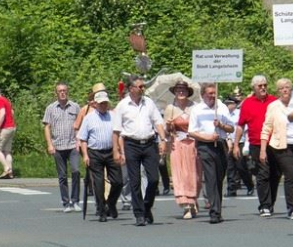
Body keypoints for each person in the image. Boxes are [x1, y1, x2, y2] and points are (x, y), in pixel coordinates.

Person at [113, 76, 168, 227]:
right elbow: (116, 131)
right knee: (135, 180)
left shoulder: (149, 103)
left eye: (143, 87)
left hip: (149, 143)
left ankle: (147, 206)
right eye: (140, 86)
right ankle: (139, 214)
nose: (143, 89)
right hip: (131, 144)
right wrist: (116, 151)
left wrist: (163, 140)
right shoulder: (122, 106)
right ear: (131, 89)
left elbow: (158, 122)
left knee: (153, 179)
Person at [260, 78, 293, 219]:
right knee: (290, 174)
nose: (285, 90)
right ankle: (292, 208)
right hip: (281, 145)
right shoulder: (274, 106)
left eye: (287, 87)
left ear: (291, 89)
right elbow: (266, 127)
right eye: (281, 88)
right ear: (278, 91)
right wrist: (262, 149)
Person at [233, 75, 278, 216]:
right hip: (256, 144)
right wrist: (235, 144)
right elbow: (240, 125)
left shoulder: (274, 101)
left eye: (265, 85)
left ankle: (270, 203)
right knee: (262, 174)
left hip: (275, 143)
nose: (263, 87)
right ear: (254, 88)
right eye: (260, 86)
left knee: (275, 175)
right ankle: (264, 204)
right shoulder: (247, 103)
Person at [190, 83, 234, 224]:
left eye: (214, 93)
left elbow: (231, 128)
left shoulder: (221, 107)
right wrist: (207, 137)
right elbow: (192, 131)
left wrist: (220, 125)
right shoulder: (197, 110)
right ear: (203, 95)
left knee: (219, 178)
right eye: (209, 93)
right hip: (205, 145)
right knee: (210, 177)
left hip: (220, 144)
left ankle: (217, 209)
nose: (213, 96)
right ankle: (214, 212)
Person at [77, 91, 122, 223]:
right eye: (101, 103)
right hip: (95, 152)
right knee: (98, 184)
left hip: (110, 151)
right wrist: (85, 155)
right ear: (95, 104)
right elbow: (83, 139)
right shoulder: (89, 118)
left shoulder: (113, 116)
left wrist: (119, 151)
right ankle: (101, 210)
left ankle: (111, 203)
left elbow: (119, 134)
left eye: (105, 103)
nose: (103, 105)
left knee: (118, 181)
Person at [162, 79, 202, 219]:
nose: (181, 92)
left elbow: (200, 126)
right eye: (178, 90)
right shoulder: (170, 108)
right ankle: (186, 205)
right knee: (180, 175)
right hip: (177, 144)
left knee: (194, 175)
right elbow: (166, 132)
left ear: (188, 92)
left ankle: (193, 199)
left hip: (193, 144)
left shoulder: (195, 107)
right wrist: (169, 126)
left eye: (183, 90)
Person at [42, 82, 81, 212]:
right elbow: (47, 127)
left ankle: (75, 200)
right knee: (62, 175)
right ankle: (66, 202)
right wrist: (49, 144)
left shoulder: (75, 107)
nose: (62, 93)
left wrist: (79, 140)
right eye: (60, 91)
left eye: (64, 90)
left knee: (75, 171)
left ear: (67, 92)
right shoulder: (51, 108)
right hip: (58, 146)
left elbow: (80, 124)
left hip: (72, 144)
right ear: (56, 93)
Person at [225, 96, 254, 197]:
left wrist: (247, 143)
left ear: (235, 104)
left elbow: (245, 129)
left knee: (241, 166)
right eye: (227, 103)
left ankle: (249, 185)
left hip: (240, 142)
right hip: (228, 142)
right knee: (230, 167)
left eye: (230, 103)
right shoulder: (224, 114)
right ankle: (231, 189)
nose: (228, 105)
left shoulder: (239, 114)